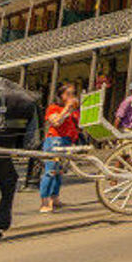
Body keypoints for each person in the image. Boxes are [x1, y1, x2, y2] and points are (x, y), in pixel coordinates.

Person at [40, 82, 81, 213]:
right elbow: (56, 122)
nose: (71, 96)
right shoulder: (53, 108)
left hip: (67, 141)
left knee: (59, 173)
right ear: (61, 95)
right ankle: (45, 201)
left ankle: (55, 198)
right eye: (68, 94)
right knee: (50, 171)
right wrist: (66, 109)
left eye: (73, 94)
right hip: (55, 141)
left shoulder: (74, 111)